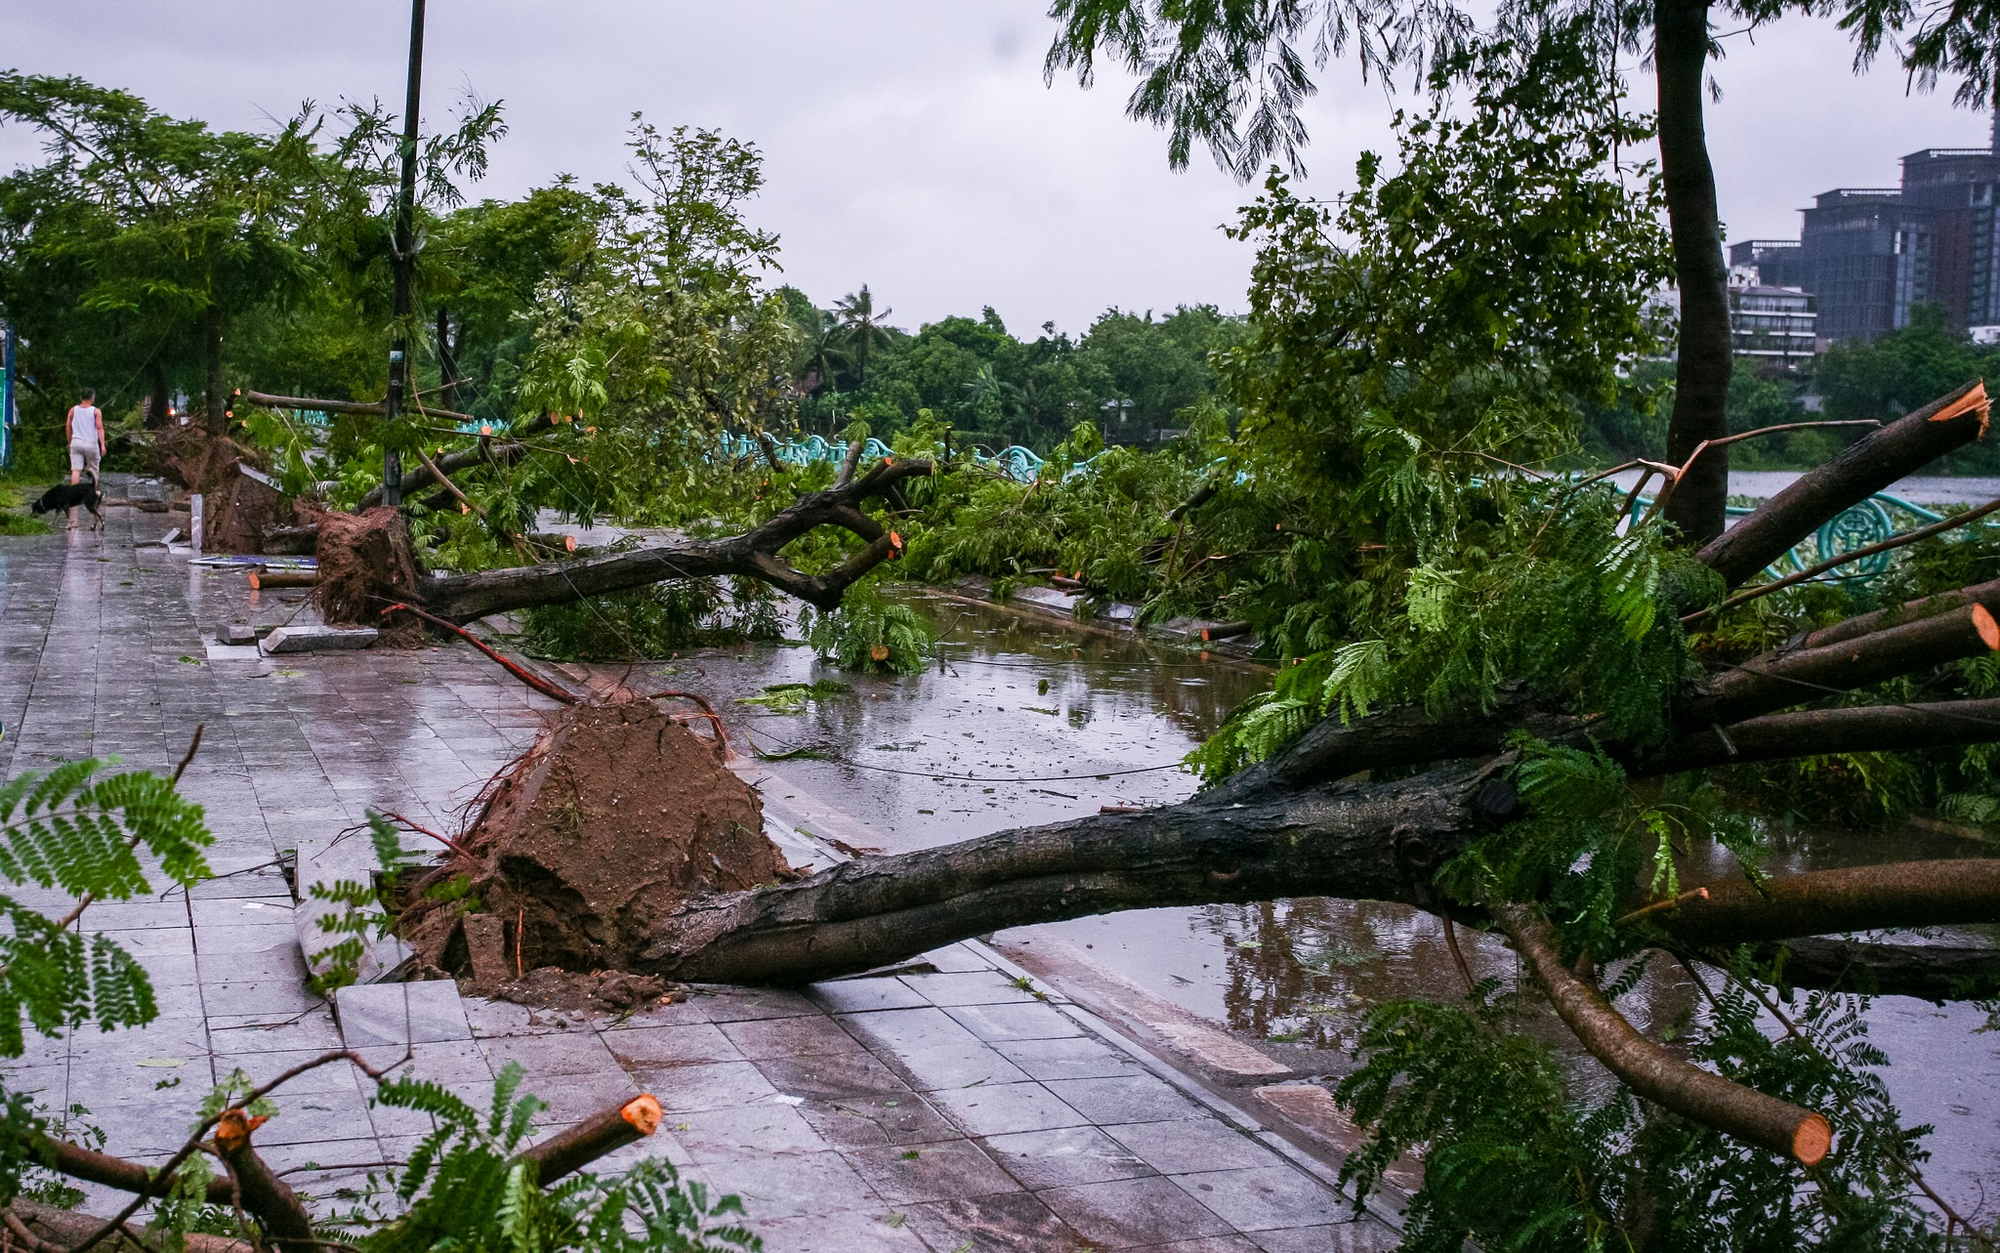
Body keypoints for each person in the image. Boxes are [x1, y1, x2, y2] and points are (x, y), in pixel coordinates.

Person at [64, 389, 106, 530]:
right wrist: (103, 445)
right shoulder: (96, 411)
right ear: (92, 398)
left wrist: (70, 441)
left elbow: (68, 426)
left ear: (81, 397)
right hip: (91, 443)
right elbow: (99, 428)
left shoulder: (73, 410)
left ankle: (74, 494)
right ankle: (94, 491)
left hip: (76, 442)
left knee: (75, 469)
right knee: (93, 469)